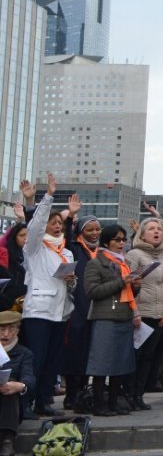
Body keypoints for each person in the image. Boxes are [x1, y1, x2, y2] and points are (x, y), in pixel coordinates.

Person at [20, 174, 75, 417]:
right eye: (52, 222)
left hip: (60, 312)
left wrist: (71, 282)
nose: (57, 226)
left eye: (60, 223)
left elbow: (71, 286)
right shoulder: (34, 248)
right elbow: (35, 225)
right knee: (37, 360)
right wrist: (47, 198)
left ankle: (44, 402)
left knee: (52, 362)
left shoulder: (67, 253)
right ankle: (25, 404)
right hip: (39, 312)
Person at [84, 224, 139, 416]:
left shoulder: (124, 263)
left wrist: (136, 285)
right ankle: (100, 405)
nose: (121, 243)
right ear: (107, 241)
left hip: (124, 315)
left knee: (120, 363)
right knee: (102, 363)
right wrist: (120, 282)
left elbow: (128, 291)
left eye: (124, 239)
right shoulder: (96, 262)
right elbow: (92, 291)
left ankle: (114, 403)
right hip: (105, 317)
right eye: (117, 239)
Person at [126, 217, 163, 410]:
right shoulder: (134, 254)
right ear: (142, 234)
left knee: (150, 357)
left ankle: (139, 395)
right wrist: (134, 312)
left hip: (161, 315)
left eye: (159, 229)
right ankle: (128, 394)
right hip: (142, 313)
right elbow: (128, 285)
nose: (157, 232)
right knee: (136, 356)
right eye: (151, 229)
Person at [61, 213, 99, 411]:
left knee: (89, 354)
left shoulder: (101, 252)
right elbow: (65, 238)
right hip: (77, 307)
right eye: (89, 230)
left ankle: (84, 391)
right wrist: (69, 219)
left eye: (96, 229)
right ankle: (71, 393)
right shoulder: (74, 249)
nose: (94, 233)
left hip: (96, 309)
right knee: (74, 352)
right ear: (80, 232)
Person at [0, 309, 35, 456]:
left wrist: (20, 386)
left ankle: (7, 441)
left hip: (8, 404)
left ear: (17, 331)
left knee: (11, 386)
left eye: (11, 329)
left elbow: (30, 378)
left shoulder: (24, 353)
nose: (6, 334)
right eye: (2, 329)